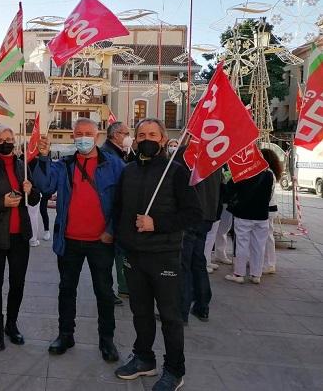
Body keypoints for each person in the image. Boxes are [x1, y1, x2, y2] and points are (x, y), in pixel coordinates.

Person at [113, 118, 201, 391]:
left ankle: (175, 369)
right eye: (141, 134)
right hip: (134, 255)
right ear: (135, 140)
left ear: (163, 139)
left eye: (153, 134)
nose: (146, 138)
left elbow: (193, 214)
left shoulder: (175, 172)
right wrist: (122, 238)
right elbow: (119, 209)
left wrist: (157, 224)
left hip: (164, 255)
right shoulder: (128, 172)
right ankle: (143, 358)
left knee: (170, 316)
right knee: (140, 312)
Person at [33, 118, 123, 363]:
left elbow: (122, 203)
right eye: (79, 133)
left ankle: (107, 340)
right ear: (73, 136)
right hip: (69, 240)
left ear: (97, 135)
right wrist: (42, 157)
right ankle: (65, 335)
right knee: (66, 290)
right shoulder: (65, 165)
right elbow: (44, 186)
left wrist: (111, 230)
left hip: (100, 241)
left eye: (88, 133)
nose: (83, 137)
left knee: (104, 293)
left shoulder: (114, 165)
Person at [0, 125, 40, 350]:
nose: (6, 142)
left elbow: (33, 200)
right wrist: (0, 202)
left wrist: (31, 190)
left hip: (20, 236)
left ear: (15, 141)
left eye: (9, 138)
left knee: (18, 283)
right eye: (1, 139)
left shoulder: (23, 167)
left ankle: (12, 325)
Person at [176, 145, 221, 324]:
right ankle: (202, 306)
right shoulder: (215, 154)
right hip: (207, 215)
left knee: (184, 264)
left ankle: (182, 310)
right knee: (198, 261)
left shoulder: (187, 153)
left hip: (189, 216)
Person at [224, 151, 276, 284]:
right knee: (259, 245)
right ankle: (256, 274)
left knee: (242, 244)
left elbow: (229, 189)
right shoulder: (269, 175)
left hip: (244, 214)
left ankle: (239, 274)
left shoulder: (243, 173)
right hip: (262, 215)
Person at [101, 121, 134, 304]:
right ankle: (111, 291)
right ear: (116, 135)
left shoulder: (119, 153)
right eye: (126, 133)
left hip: (115, 213)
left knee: (119, 255)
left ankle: (123, 288)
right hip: (111, 213)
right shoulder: (108, 154)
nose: (128, 137)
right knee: (108, 257)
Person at [262, 149, 283, 275]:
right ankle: (268, 262)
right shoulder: (271, 172)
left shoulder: (268, 173)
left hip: (268, 208)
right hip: (269, 207)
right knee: (267, 236)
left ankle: (270, 263)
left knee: (267, 236)